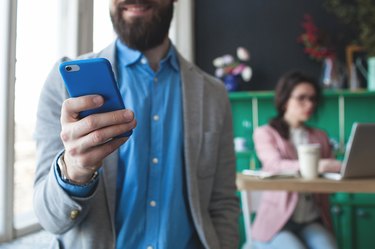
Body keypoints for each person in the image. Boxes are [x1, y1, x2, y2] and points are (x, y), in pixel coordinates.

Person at [33, 0, 240, 248]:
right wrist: (74, 171)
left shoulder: (214, 95)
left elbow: (223, 204)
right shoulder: (62, 84)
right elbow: (50, 219)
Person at [251, 71, 340, 249]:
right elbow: (274, 165)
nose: (309, 104)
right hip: (276, 222)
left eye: (313, 99)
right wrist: (318, 166)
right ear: (285, 100)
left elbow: (329, 175)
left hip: (312, 219)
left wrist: (338, 167)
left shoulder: (320, 136)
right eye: (301, 98)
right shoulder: (266, 133)